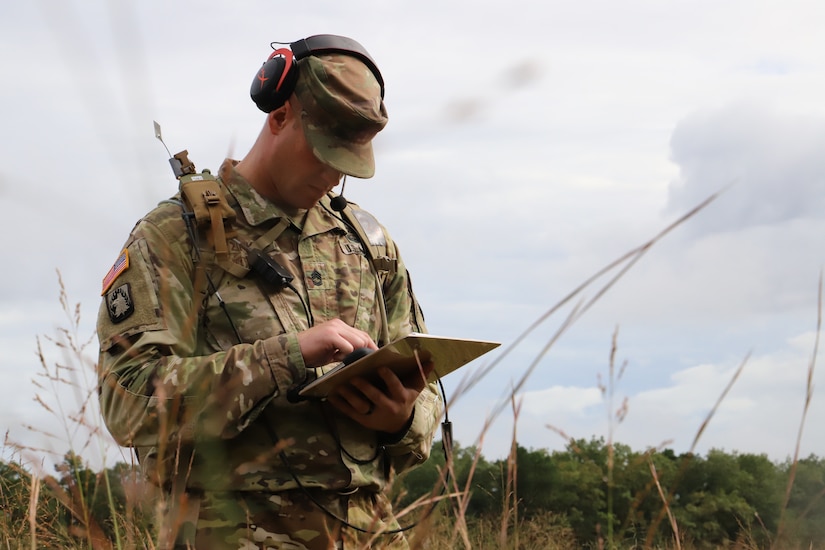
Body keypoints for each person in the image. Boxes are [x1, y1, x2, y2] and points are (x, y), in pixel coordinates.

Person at [96, 35, 442, 549]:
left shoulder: (369, 244)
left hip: (370, 533)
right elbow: (128, 402)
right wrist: (287, 358)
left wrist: (402, 418)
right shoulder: (174, 236)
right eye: (323, 152)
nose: (332, 174)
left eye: (348, 161)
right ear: (279, 114)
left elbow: (426, 383)